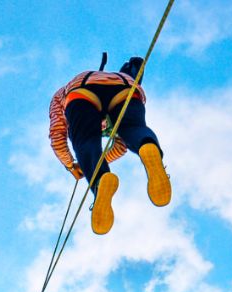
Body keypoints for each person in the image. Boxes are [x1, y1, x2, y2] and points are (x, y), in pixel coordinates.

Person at [48, 56, 170, 235]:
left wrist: (72, 165)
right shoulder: (118, 78)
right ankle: (147, 146)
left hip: (81, 89)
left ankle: (100, 179)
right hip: (125, 85)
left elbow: (57, 134)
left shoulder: (59, 95)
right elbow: (122, 145)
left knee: (85, 140)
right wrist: (101, 159)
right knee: (133, 128)